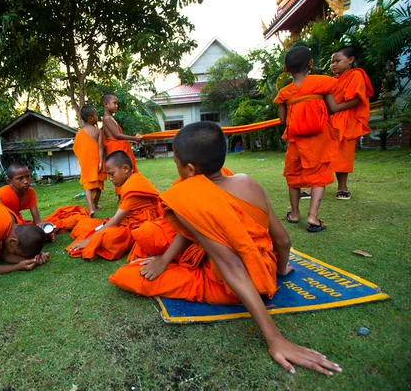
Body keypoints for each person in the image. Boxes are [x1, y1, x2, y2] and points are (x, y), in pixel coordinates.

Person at [110, 122, 341, 376]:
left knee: (128, 273)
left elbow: (231, 265)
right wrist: (281, 268)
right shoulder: (246, 181)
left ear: (189, 169)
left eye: (176, 162)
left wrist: (276, 339)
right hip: (266, 267)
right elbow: (283, 240)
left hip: (232, 285)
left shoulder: (193, 196)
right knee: (158, 240)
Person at [274, 46, 337, 232]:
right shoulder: (324, 83)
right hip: (318, 140)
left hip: (295, 142)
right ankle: (313, 217)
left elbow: (283, 120)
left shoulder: (284, 93)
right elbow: (333, 108)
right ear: (310, 63)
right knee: (319, 178)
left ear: (286, 68)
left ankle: (294, 215)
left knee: (294, 176)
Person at [66, 150, 161, 260]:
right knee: (84, 224)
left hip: (138, 228)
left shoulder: (133, 186)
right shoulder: (130, 181)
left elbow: (116, 220)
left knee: (108, 239)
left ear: (125, 169)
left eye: (112, 174)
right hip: (127, 222)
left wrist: (89, 240)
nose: (110, 179)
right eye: (108, 175)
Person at [324, 46, 374, 200]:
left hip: (346, 121)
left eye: (338, 61)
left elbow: (358, 98)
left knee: (343, 155)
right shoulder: (332, 81)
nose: (333, 65)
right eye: (332, 62)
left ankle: (342, 188)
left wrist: (337, 108)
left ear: (351, 60)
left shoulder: (356, 75)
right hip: (330, 121)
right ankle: (316, 187)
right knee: (323, 154)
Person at [101, 94, 142, 193]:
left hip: (119, 147)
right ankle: (123, 196)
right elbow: (117, 135)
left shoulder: (110, 118)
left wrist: (131, 140)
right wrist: (134, 138)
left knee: (125, 171)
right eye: (114, 103)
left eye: (117, 103)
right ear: (106, 104)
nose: (117, 105)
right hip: (116, 148)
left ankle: (128, 193)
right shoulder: (107, 118)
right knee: (121, 172)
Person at [73, 105, 106, 216]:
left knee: (87, 187)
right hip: (97, 162)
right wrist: (101, 161)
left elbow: (76, 149)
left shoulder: (79, 133)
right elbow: (101, 147)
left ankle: (91, 208)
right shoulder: (97, 131)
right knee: (99, 185)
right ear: (91, 118)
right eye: (96, 115)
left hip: (86, 163)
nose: (98, 117)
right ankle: (95, 204)